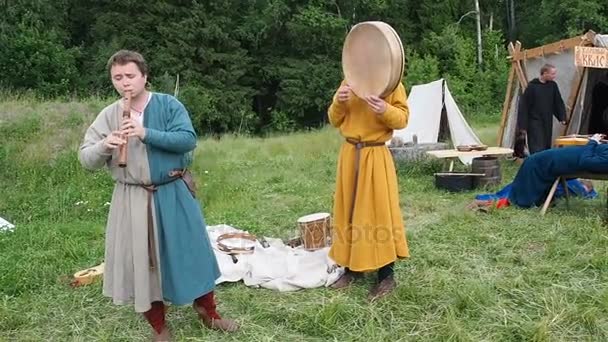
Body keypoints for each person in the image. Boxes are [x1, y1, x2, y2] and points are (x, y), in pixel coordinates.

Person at [78, 50, 238, 341]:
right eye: (118, 77)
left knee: (192, 253)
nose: (124, 83)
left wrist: (145, 133)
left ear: (144, 76)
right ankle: (159, 326)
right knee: (143, 262)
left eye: (130, 75)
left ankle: (208, 312)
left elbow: (187, 140)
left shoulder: (168, 104)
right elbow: (86, 159)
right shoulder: (109, 115)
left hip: (173, 191)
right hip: (132, 199)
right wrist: (105, 145)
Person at [327, 81, 410, 301]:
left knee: (379, 213)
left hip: (375, 155)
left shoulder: (392, 82)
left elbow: (402, 119)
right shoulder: (350, 79)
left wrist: (385, 110)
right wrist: (339, 102)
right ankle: (353, 269)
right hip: (349, 154)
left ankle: (386, 275)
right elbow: (334, 119)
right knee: (350, 212)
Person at [508, 134, 608, 208]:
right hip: (571, 155)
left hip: (569, 161)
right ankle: (537, 197)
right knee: (534, 160)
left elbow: (586, 161)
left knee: (533, 162)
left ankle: (524, 200)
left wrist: (593, 142)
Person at [517, 63, 567, 155]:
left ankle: (543, 165)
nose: (554, 76)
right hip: (534, 121)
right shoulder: (532, 87)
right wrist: (523, 126)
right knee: (537, 145)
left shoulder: (552, 86)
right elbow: (524, 106)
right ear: (544, 73)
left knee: (546, 145)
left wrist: (562, 117)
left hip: (547, 120)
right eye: (552, 74)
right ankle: (536, 163)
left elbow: (558, 102)